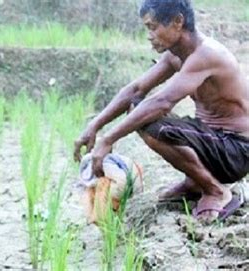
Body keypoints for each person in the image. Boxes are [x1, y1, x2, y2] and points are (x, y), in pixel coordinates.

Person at [73, 0, 249, 223]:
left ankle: (215, 190)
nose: (149, 35)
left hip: (237, 151)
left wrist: (108, 139)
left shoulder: (206, 54)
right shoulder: (176, 55)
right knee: (137, 109)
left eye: (153, 27)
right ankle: (195, 182)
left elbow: (162, 102)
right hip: (214, 142)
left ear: (177, 22)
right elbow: (135, 90)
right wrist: (94, 126)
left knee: (150, 122)